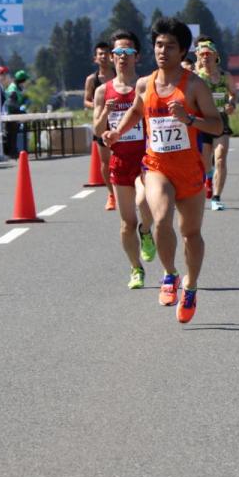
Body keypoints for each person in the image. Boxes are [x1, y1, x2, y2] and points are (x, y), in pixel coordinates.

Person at [102, 17, 222, 323]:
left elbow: (217, 125)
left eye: (169, 46)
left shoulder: (194, 86)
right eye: (158, 45)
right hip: (157, 166)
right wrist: (117, 132)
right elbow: (135, 110)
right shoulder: (145, 83)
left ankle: (190, 287)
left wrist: (189, 119)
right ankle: (169, 274)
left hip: (190, 170)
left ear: (182, 51)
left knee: (191, 234)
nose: (162, 51)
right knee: (160, 217)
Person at [93, 30, 157, 289]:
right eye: (118, 52)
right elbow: (97, 130)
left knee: (145, 203)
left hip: (146, 158)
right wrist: (105, 115)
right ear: (111, 57)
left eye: (128, 52)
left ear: (137, 56)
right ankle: (135, 268)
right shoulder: (103, 91)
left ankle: (146, 231)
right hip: (120, 160)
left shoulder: (146, 86)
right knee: (126, 223)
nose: (122, 57)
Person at [194, 38, 236, 210]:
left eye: (208, 54)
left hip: (221, 122)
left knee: (220, 157)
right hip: (203, 123)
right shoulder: (196, 77)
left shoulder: (225, 76)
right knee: (205, 160)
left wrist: (231, 104)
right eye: (202, 54)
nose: (205, 57)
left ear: (215, 56)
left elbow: (233, 94)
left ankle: (216, 198)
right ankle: (209, 177)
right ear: (198, 56)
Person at [84, 42, 116, 210]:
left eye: (106, 53)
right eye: (100, 54)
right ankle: (111, 194)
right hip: (102, 123)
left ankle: (130, 190)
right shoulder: (92, 79)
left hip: (120, 122)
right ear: (95, 59)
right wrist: (99, 106)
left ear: (111, 57)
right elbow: (86, 100)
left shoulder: (119, 75)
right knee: (105, 161)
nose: (103, 57)